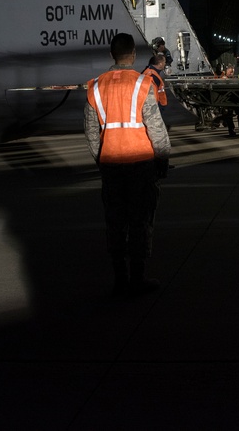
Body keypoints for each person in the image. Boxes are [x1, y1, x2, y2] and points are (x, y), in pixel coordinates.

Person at [85, 33, 171, 296]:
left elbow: (91, 132)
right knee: (140, 221)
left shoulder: (95, 86)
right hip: (141, 164)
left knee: (115, 222)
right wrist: (163, 160)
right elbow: (156, 128)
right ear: (133, 55)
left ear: (111, 55)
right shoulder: (143, 84)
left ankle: (120, 279)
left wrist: (101, 159)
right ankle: (138, 277)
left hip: (111, 165)